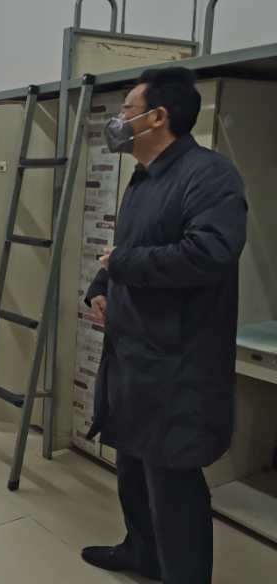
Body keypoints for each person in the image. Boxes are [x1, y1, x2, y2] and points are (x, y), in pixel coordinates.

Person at [81, 67, 248, 583]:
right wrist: (101, 286)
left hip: (178, 364)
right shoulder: (143, 177)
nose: (119, 120)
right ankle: (142, 554)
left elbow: (210, 253)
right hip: (133, 355)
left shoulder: (209, 175)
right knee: (132, 466)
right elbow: (127, 249)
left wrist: (122, 265)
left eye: (126, 110)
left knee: (172, 482)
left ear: (157, 117)